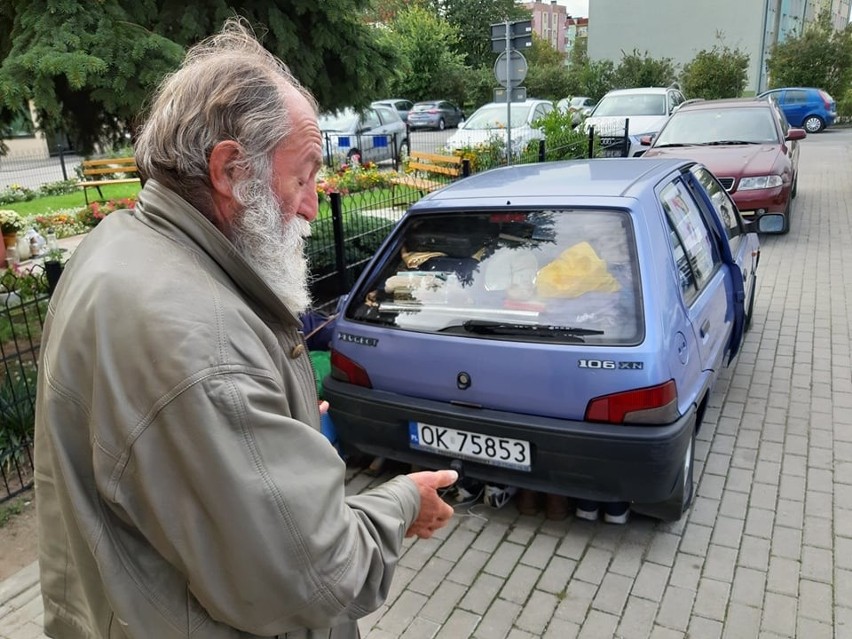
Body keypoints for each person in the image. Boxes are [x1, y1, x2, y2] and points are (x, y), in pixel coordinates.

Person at [33, 18, 457, 639]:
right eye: (307, 173)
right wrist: (399, 503)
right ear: (231, 170)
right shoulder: (203, 344)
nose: (315, 203)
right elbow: (315, 581)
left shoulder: (119, 245)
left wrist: (260, 419)